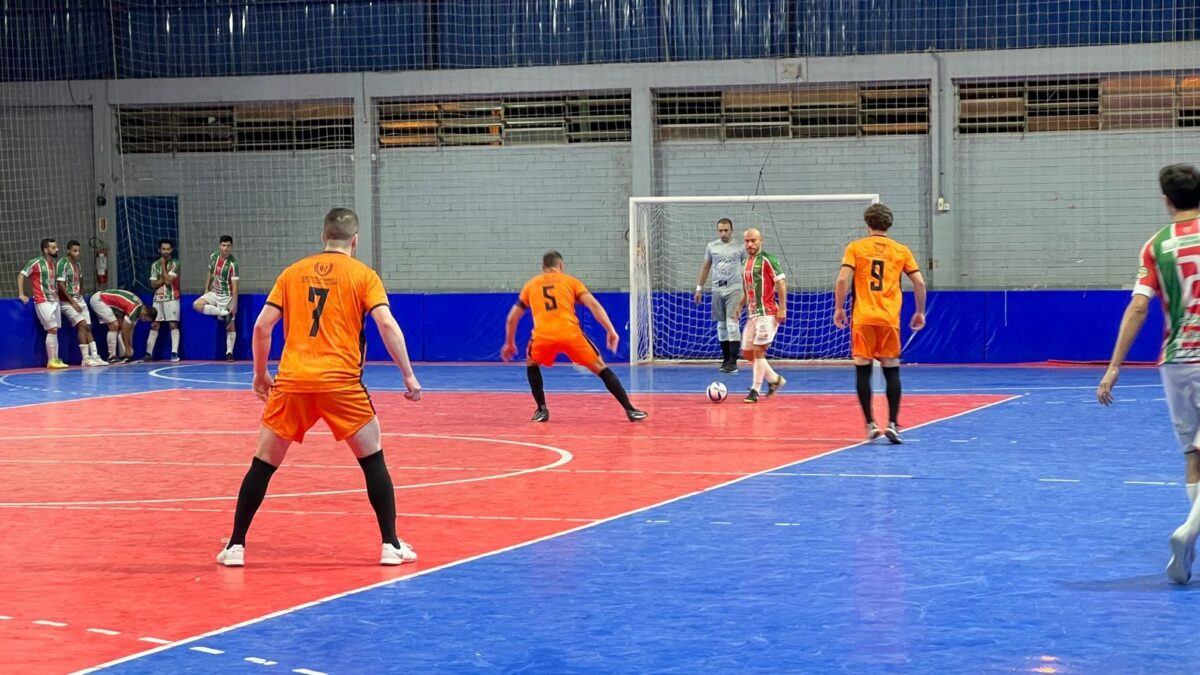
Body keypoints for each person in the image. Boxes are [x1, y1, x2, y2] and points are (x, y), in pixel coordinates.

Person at [216, 208, 422, 567]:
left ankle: (235, 546)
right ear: (354, 240)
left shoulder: (292, 273)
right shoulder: (364, 275)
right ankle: (390, 544)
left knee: (263, 463)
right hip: (341, 383)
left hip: (293, 381)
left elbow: (262, 327)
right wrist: (408, 375)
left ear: (322, 236)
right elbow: (386, 324)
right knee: (373, 458)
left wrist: (260, 374)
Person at [1098, 163, 1200, 585]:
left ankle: (1189, 544)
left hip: (1176, 361)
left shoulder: (1155, 246)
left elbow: (1138, 307)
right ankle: (1189, 530)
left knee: (1193, 457)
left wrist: (1114, 366)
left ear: (1166, 199)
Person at [501, 250, 646, 423]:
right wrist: (610, 330)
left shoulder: (531, 285)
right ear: (561, 266)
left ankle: (541, 410)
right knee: (601, 368)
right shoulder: (571, 281)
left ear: (543, 267)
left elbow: (512, 318)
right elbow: (593, 305)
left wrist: (509, 343)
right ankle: (630, 410)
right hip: (570, 335)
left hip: (543, 337)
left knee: (532, 363)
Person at [834, 204, 926, 443]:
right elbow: (920, 283)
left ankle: (870, 424)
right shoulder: (901, 250)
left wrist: (839, 308)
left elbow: (843, 278)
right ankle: (893, 424)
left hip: (863, 318)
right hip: (888, 319)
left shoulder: (855, 248)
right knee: (891, 370)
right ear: (889, 224)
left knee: (862, 370)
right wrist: (920, 312)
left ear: (867, 224)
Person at [734, 228, 786, 404]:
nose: (749, 244)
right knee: (747, 353)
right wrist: (740, 304)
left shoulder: (767, 260)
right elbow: (747, 289)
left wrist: (783, 308)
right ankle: (774, 379)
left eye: (753, 241)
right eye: (747, 241)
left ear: (760, 241)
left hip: (767, 312)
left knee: (758, 350)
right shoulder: (745, 264)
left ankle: (755, 390)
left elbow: (781, 283)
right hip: (752, 314)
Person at [695, 218, 746, 373]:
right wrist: (699, 288)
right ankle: (725, 360)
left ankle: (733, 362)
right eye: (720, 230)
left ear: (732, 230)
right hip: (717, 290)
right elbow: (706, 267)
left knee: (732, 324)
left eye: (726, 230)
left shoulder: (741, 247)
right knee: (721, 326)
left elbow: (747, 268)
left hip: (735, 289)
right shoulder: (712, 246)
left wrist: (747, 291)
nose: (723, 233)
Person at [17, 238, 67, 369]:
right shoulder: (36, 262)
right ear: (46, 250)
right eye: (53, 247)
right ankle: (51, 361)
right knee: (52, 329)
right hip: (42, 300)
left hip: (54, 300)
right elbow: (22, 275)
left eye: (56, 247)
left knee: (55, 331)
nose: (57, 249)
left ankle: (55, 359)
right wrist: (21, 294)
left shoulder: (55, 264)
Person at [56, 240, 106, 366]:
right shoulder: (62, 263)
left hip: (79, 299)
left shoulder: (78, 265)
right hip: (66, 302)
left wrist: (81, 295)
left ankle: (95, 355)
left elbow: (81, 280)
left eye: (79, 251)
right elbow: (60, 285)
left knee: (88, 327)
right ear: (68, 251)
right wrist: (73, 302)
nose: (77, 253)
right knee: (82, 325)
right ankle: (85, 358)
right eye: (74, 251)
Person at [193, 235, 238, 360]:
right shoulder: (213, 257)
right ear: (219, 246)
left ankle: (229, 353)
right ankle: (223, 313)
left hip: (226, 295)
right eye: (223, 245)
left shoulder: (233, 264)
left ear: (231, 247)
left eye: (228, 246)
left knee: (230, 326)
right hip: (214, 292)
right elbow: (210, 273)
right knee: (197, 305)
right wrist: (206, 288)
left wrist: (234, 304)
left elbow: (235, 287)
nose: (226, 248)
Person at [89, 288, 157, 364]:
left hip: (108, 301)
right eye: (146, 320)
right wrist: (128, 348)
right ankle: (112, 357)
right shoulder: (134, 309)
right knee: (114, 326)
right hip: (99, 300)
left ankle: (123, 356)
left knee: (121, 327)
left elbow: (130, 329)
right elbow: (125, 331)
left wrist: (130, 347)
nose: (143, 321)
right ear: (145, 314)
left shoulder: (140, 308)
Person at [146, 239, 181, 362]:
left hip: (172, 298)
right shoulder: (154, 265)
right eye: (163, 249)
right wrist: (162, 279)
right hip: (158, 298)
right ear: (159, 250)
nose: (165, 251)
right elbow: (153, 284)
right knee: (155, 324)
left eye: (168, 249)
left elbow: (167, 281)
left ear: (171, 250)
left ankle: (174, 353)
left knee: (172, 324)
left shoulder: (175, 263)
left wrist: (163, 266)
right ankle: (148, 353)